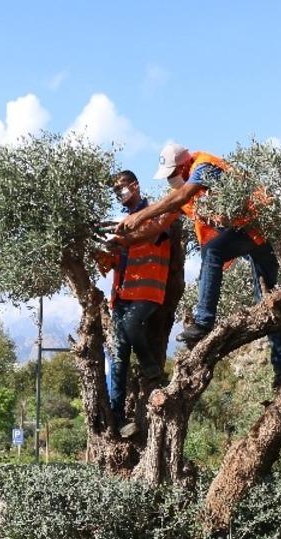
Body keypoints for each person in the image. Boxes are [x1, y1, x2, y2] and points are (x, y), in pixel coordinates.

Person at [118, 144, 281, 389]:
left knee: (215, 254)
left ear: (183, 165)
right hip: (246, 235)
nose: (170, 179)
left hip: (258, 227)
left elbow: (180, 197)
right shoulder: (183, 189)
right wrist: (124, 240)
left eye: (172, 173)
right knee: (267, 302)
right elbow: (159, 225)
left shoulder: (204, 166)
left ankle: (204, 322)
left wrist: (139, 215)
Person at [96, 170, 180, 437]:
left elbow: (154, 232)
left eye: (121, 187)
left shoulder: (155, 214)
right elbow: (114, 261)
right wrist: (105, 253)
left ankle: (150, 368)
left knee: (132, 324)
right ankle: (118, 418)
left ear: (135, 185)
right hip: (121, 295)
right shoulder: (119, 223)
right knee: (118, 357)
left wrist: (122, 238)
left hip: (147, 290)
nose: (119, 192)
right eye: (115, 190)